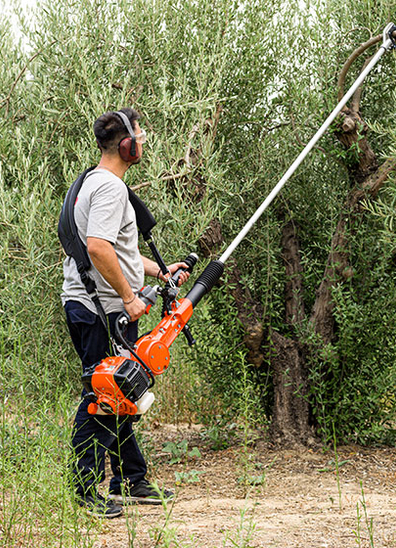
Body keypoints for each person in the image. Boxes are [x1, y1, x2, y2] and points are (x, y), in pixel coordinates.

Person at [61, 107, 189, 518]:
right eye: (141, 137)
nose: (144, 144)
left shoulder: (90, 182)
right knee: (103, 394)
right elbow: (98, 247)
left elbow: (118, 251)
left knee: (120, 391)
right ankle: (84, 489)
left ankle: (130, 479)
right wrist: (130, 298)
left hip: (91, 305)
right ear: (127, 145)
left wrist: (158, 271)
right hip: (103, 310)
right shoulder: (112, 188)